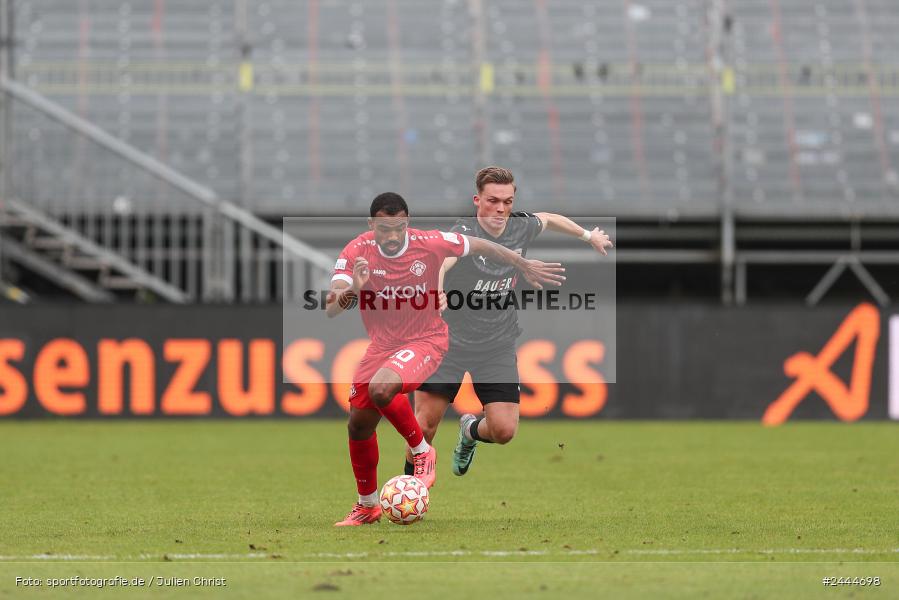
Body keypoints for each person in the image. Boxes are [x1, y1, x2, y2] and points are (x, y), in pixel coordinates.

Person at [328, 191, 566, 526]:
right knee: (359, 425)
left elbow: (481, 246)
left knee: (384, 391)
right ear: (372, 225)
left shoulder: (431, 242)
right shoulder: (356, 251)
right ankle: (367, 506)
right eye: (385, 229)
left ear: (407, 223)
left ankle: (423, 452)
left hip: (426, 339)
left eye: (399, 228)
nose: (393, 236)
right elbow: (331, 307)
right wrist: (354, 287)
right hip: (382, 346)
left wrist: (520, 262)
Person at [403, 166, 613, 478]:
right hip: (446, 342)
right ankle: (411, 489)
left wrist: (588, 235)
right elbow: (441, 261)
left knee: (503, 430)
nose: (501, 208)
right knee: (424, 426)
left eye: (507, 201)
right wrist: (435, 291)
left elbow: (550, 218)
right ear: (477, 200)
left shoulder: (520, 227)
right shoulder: (463, 235)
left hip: (496, 344)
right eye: (493, 200)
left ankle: (470, 432)